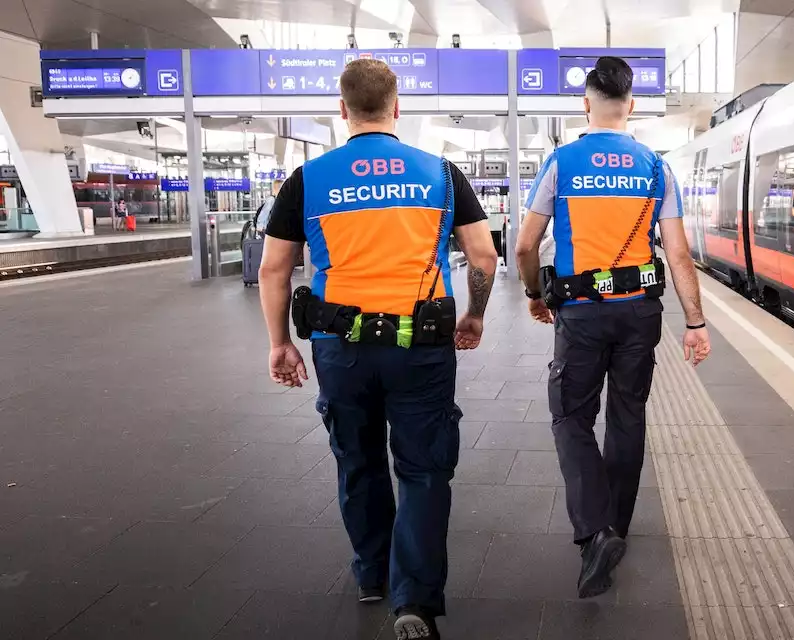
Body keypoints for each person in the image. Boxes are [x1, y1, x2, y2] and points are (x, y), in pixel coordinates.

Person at [258, 58, 497, 640]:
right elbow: (485, 256)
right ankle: (413, 598)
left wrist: (280, 344)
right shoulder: (440, 173)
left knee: (358, 461)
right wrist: (474, 314)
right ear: (398, 108)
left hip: (340, 348)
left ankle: (372, 573)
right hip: (421, 347)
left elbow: (273, 268)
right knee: (423, 469)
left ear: (342, 111)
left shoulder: (308, 179)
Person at [514, 56, 711, 599]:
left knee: (571, 416)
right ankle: (616, 526)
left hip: (579, 313)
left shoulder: (562, 161)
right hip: (639, 313)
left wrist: (534, 293)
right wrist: (695, 321)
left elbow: (526, 245)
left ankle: (594, 529)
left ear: (586, 103)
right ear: (632, 107)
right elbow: (678, 252)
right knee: (628, 414)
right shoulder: (655, 166)